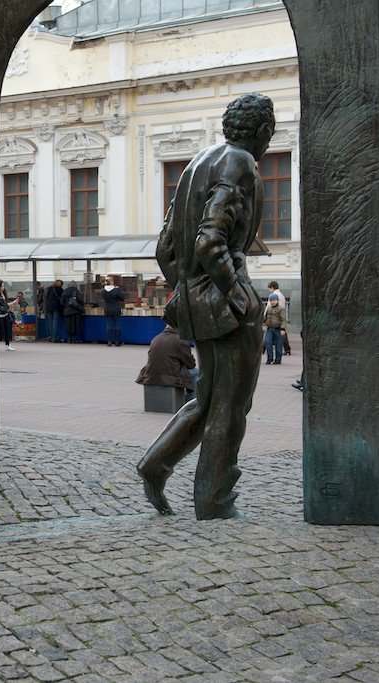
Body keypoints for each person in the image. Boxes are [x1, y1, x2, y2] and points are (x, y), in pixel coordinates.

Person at [137, 92, 275, 520]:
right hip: (225, 304)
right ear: (263, 132)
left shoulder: (198, 163)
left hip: (196, 302)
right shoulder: (240, 163)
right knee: (230, 406)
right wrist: (241, 298)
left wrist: (185, 290)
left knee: (210, 398)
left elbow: (165, 248)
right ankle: (214, 502)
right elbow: (209, 239)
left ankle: (156, 463)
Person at [136, 325, 198, 401]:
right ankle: (190, 401)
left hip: (150, 376)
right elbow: (191, 365)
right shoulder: (180, 341)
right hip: (169, 377)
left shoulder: (156, 338)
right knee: (197, 373)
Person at [101, 276, 127, 347]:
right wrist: (118, 290)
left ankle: (109, 341)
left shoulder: (103, 290)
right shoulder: (116, 290)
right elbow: (122, 298)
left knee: (109, 325)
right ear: (112, 282)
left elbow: (102, 297)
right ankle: (117, 341)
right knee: (117, 325)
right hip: (116, 309)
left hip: (107, 309)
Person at [266, 281, 291, 355]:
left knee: (269, 336)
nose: (269, 290)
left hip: (274, 317)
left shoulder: (273, 295)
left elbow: (268, 307)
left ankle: (263, 349)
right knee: (283, 334)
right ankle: (287, 349)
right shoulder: (281, 295)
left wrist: (265, 317)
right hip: (280, 317)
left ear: (272, 287)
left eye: (269, 288)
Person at [263, 292, 288, 365]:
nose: (273, 302)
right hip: (269, 329)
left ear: (277, 301)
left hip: (278, 329)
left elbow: (283, 320)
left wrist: (283, 329)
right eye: (271, 300)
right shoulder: (269, 308)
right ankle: (269, 359)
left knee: (278, 345)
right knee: (268, 342)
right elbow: (265, 317)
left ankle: (278, 359)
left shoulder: (281, 309)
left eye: (274, 300)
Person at [0, 280, 17, 351]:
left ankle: (8, 345)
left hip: (5, 314)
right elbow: (2, 305)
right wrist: (12, 303)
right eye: (1, 286)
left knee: (8, 329)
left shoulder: (3, 293)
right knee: (0, 331)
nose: (3, 287)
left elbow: (5, 304)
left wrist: (12, 303)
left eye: (3, 286)